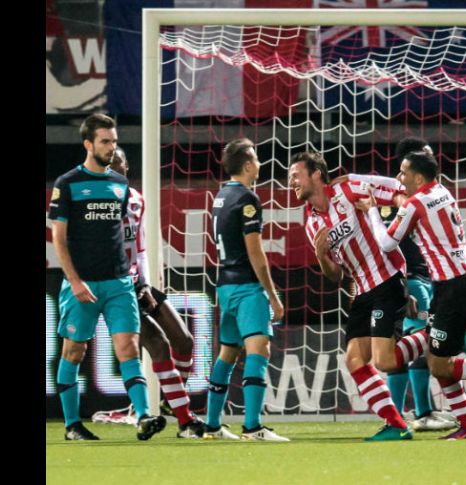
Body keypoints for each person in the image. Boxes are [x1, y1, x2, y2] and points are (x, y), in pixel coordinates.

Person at [355, 150, 466, 439]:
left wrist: (371, 212)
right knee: (436, 363)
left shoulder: (417, 203)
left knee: (439, 364)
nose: (399, 178)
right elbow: (415, 209)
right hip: (455, 285)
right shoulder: (440, 191)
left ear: (417, 176)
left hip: (454, 289)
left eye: (403, 172)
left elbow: (387, 243)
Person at [342, 137, 466, 432]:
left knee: (414, 346)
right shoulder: (399, 201)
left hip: (433, 277)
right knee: (417, 344)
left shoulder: (416, 197)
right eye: (422, 159)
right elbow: (385, 244)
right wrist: (405, 285)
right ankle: (422, 411)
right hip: (412, 278)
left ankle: (418, 411)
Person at [49, 113, 166, 441]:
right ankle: (72, 425)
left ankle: (143, 416)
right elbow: (58, 238)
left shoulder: (120, 183)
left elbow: (121, 235)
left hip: (118, 282)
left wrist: (136, 277)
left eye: (114, 141)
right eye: (105, 141)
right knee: (74, 351)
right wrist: (74, 281)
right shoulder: (67, 184)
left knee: (128, 347)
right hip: (82, 283)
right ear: (88, 144)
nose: (112, 147)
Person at [288, 151, 414, 441]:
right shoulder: (311, 223)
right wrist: (321, 255)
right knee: (355, 360)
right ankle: (396, 425)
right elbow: (335, 276)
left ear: (317, 174)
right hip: (361, 289)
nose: (291, 182)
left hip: (387, 278)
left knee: (384, 361)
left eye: (296, 175)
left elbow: (397, 190)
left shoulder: (347, 188)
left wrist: (401, 216)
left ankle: (433, 335)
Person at [109, 148, 206, 439]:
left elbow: (140, 248)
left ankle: (171, 401)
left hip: (138, 282)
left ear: (126, 167)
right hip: (117, 286)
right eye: (109, 164)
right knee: (159, 346)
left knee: (184, 340)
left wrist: (146, 285)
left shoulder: (137, 200)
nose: (114, 169)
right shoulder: (97, 202)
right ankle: (184, 419)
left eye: (119, 163)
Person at [204, 138, 289, 442]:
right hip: (245, 287)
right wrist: (272, 297)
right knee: (259, 349)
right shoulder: (247, 199)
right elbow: (256, 254)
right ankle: (253, 427)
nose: (260, 164)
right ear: (248, 164)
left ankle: (212, 426)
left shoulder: (220, 196)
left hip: (224, 287)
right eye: (256, 158)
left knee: (227, 352)